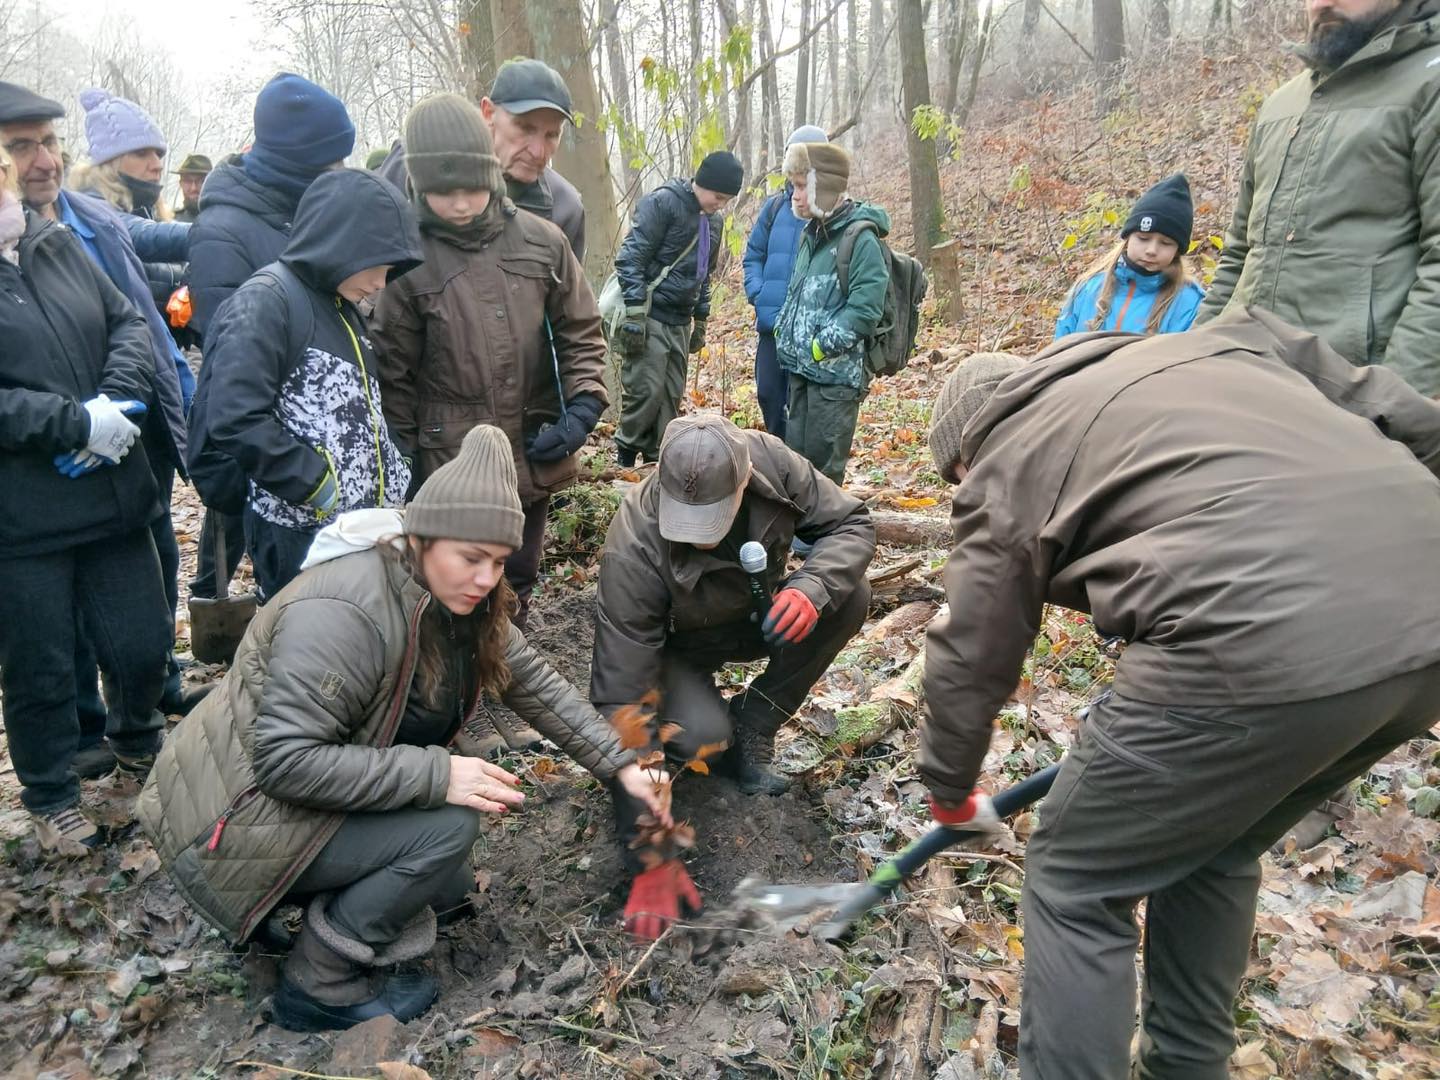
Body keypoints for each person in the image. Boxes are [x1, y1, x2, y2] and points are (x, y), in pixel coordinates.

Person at [920, 309, 1440, 1079]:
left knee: (1074, 881)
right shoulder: (1225, 340)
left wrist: (949, 788)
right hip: (1425, 614)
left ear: (965, 454)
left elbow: (971, 648)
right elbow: (1406, 413)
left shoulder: (1007, 455)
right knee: (1216, 844)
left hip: (1258, 644)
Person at [137, 424, 667, 1031]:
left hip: (277, 804)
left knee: (449, 885)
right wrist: (436, 772)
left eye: (497, 562)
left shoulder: (452, 596)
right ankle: (320, 980)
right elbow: (283, 762)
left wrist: (621, 766)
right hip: (228, 825)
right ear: (419, 538)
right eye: (471, 559)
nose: (487, 578)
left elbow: (536, 684)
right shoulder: (346, 612)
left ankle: (334, 906)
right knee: (448, 825)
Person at [592, 414, 875, 936]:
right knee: (705, 743)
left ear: (744, 481)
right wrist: (646, 823)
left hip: (763, 611)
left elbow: (853, 523)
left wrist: (810, 589)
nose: (699, 539)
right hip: (678, 648)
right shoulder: (633, 544)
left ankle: (757, 722)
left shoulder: (773, 464)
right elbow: (621, 688)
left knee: (850, 596)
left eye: (712, 518)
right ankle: (717, 724)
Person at [2, 82, 199, 765]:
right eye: (19, 147)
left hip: (124, 452)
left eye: (48, 143)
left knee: (144, 605)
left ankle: (142, 715)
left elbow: (130, 316)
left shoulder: (72, 232)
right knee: (50, 640)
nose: (41, 160)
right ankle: (75, 748)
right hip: (32, 490)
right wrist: (73, 424)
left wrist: (110, 408)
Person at [372, 94, 607, 630]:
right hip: (447, 456)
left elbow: (580, 328)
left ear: (493, 178)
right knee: (454, 582)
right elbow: (393, 373)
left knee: (518, 569)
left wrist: (583, 405)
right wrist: (403, 459)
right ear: (417, 188)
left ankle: (508, 667)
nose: (460, 205)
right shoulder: (406, 262)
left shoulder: (542, 240)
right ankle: (452, 681)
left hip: (532, 443)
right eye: (442, 192)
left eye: (472, 189)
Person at [1195, 0, 1440, 394]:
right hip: (1244, 382)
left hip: (1348, 401)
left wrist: (1393, 410)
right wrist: (1194, 354)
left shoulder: (1430, 83)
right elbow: (1240, 253)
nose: (1321, 4)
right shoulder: (1281, 104)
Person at [203, 168, 420, 600]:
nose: (381, 282)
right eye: (379, 264)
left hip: (354, 530)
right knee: (310, 647)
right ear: (343, 243)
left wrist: (398, 465)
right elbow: (234, 416)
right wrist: (313, 482)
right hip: (298, 531)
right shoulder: (268, 300)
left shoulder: (341, 305)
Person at [186, 72, 356, 604]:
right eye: (331, 160)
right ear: (299, 161)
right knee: (294, 598)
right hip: (271, 450)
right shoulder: (223, 232)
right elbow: (237, 355)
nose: (340, 171)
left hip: (318, 439)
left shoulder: (303, 210)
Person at [376, 59, 586, 261]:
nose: (538, 152)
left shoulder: (564, 208)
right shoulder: (415, 162)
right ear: (488, 112)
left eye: (551, 135)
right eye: (525, 128)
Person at [612, 152, 742, 466]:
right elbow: (631, 258)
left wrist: (701, 319)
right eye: (718, 196)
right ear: (702, 183)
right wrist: (634, 312)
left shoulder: (714, 221)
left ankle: (657, 464)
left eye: (726, 200)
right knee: (645, 392)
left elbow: (704, 274)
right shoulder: (663, 203)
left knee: (670, 397)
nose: (720, 204)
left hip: (681, 321)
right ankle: (625, 461)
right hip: (650, 315)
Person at [772, 141, 889, 486]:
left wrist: (819, 347)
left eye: (800, 186)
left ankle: (823, 537)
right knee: (797, 463)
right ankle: (798, 535)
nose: (793, 195)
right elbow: (798, 296)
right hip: (802, 372)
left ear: (822, 186)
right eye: (792, 185)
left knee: (823, 471)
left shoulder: (861, 240)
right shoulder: (814, 234)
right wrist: (785, 334)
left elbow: (865, 310)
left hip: (835, 379)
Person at [742, 124, 828, 438]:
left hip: (809, 331)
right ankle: (780, 457)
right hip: (771, 325)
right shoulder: (775, 207)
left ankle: (796, 468)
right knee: (768, 394)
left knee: (800, 403)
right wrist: (758, 291)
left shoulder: (829, 211)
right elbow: (752, 255)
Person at [1053, 173, 1204, 339]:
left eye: (1166, 243)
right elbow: (1059, 350)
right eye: (1143, 238)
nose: (1151, 250)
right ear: (1127, 238)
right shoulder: (1089, 288)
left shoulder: (1191, 303)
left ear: (1178, 250)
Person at [173, 153, 212, 222]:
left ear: (211, 183)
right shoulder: (170, 221)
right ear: (180, 183)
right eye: (188, 181)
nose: (193, 188)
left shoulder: (222, 220)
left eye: (201, 181)